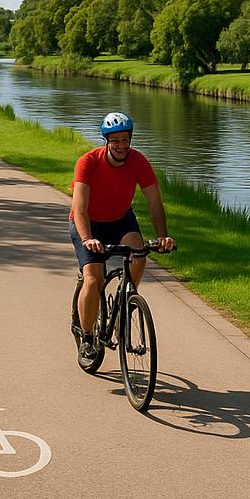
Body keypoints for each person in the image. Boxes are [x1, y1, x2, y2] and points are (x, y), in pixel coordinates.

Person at [70, 111, 175, 362]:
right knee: (94, 279)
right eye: (115, 140)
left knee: (139, 255)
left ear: (130, 139)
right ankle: (87, 338)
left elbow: (155, 204)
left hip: (120, 219)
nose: (120, 145)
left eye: (125, 139)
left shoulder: (139, 161)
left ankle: (127, 301)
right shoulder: (88, 162)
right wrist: (87, 239)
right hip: (89, 224)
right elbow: (80, 208)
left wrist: (163, 237)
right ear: (106, 141)